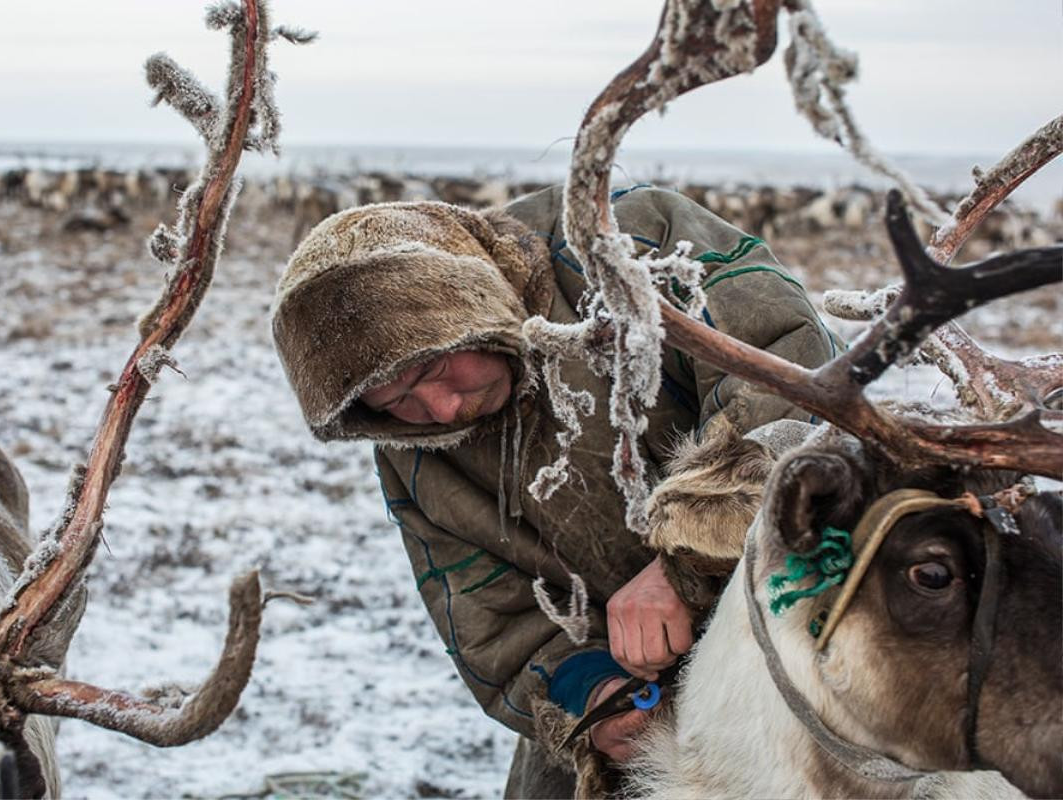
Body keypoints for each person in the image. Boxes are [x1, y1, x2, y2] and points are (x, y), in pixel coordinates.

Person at [270, 184, 836, 797]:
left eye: (433, 368)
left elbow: (787, 379)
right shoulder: (416, 453)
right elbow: (492, 618)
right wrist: (593, 693)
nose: (441, 407)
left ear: (469, 306)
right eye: (397, 401)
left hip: (814, 603)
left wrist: (685, 561)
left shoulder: (622, 240)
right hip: (642, 684)